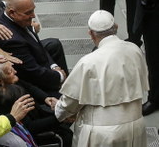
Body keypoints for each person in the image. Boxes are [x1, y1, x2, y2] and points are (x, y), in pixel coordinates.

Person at [55, 10, 148, 146]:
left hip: (102, 134)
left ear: (91, 34)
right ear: (116, 27)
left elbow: (72, 99)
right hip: (136, 125)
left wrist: (59, 111)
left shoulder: (88, 62)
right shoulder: (135, 50)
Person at [0, 0, 66, 96]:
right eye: (29, 13)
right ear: (12, 13)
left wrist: (54, 67)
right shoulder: (12, 40)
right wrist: (59, 76)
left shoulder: (18, 18)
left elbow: (37, 44)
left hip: (36, 59)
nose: (33, 16)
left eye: (33, 10)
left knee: (54, 44)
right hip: (33, 82)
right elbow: (34, 73)